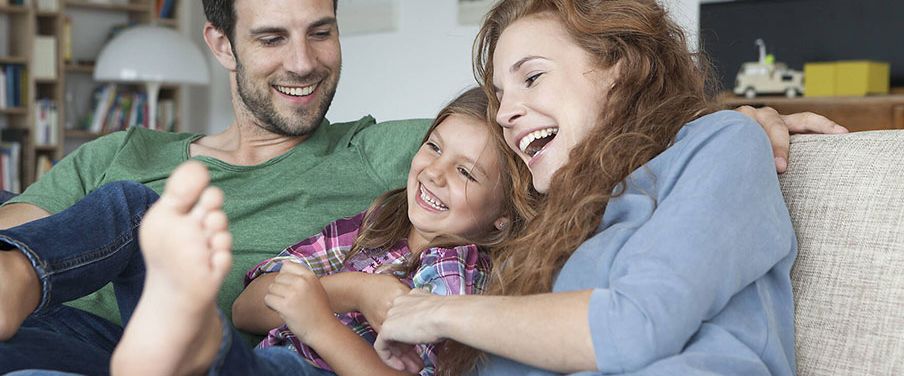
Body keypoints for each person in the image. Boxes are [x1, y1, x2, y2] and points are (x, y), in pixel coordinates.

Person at [0, 0, 844, 373]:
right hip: (140, 316)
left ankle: (180, 343)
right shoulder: (564, 207)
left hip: (279, 355)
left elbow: (518, 161)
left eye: (321, 31)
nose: (509, 114)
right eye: (271, 38)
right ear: (222, 46)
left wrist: (740, 114)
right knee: (88, 266)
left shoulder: (393, 161)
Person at [372, 1, 804, 375]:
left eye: (532, 77)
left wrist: (440, 312)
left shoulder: (721, 143)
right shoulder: (559, 216)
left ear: (618, 67)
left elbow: (636, 325)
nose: (503, 114)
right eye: (500, 94)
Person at [0, 88, 528, 376]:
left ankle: (187, 345)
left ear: (504, 215)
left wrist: (320, 323)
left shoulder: (457, 270)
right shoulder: (370, 225)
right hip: (247, 356)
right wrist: (353, 289)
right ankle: (20, 275)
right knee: (135, 205)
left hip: (290, 370)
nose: (435, 172)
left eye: (467, 172)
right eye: (433, 147)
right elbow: (249, 306)